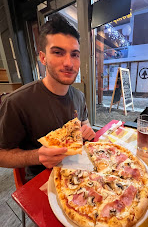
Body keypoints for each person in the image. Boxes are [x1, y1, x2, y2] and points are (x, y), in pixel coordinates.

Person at [0, 13, 95, 180]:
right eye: (58, 52)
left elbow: (86, 126)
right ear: (43, 58)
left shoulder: (79, 96)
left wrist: (87, 131)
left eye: (75, 54)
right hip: (42, 180)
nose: (69, 63)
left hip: (80, 173)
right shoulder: (16, 102)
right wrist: (37, 156)